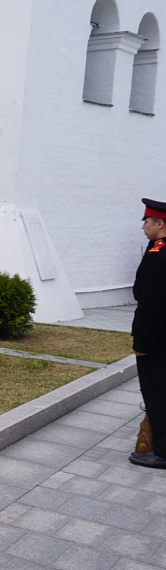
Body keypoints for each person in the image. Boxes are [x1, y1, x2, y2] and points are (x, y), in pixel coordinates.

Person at [130, 198, 166, 469]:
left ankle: (161, 452)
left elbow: (150, 304)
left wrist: (141, 343)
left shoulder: (157, 255)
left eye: (147, 222)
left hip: (157, 339)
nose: (144, 227)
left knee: (157, 393)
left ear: (160, 223)